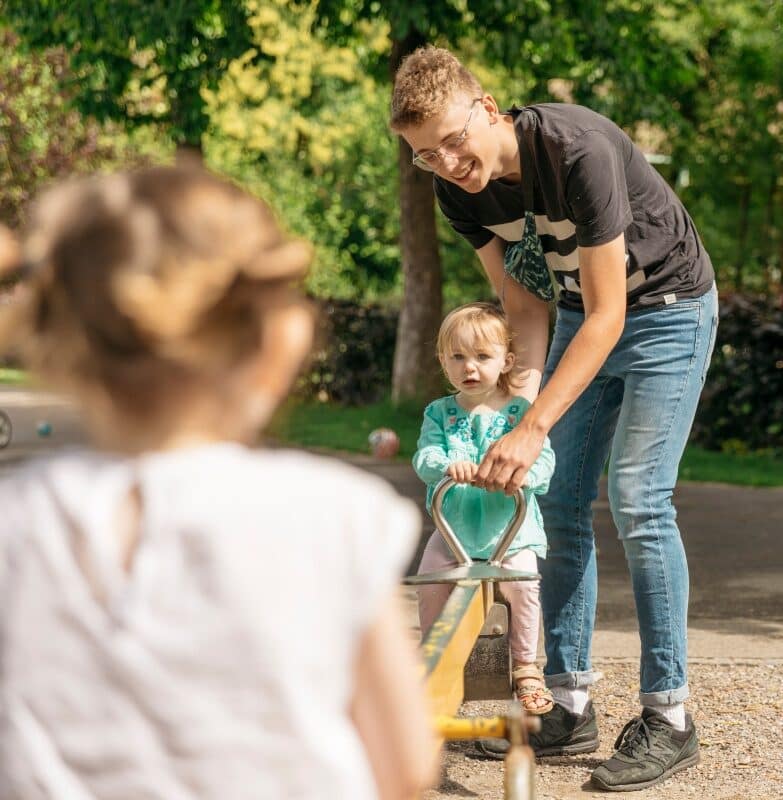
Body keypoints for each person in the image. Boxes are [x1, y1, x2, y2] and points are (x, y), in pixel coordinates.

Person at [0, 165, 438, 800]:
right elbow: (405, 763)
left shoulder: (16, 521)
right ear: (280, 342)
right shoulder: (331, 515)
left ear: (63, 345)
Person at [391, 46, 718, 792]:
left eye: (452, 141)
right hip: (577, 315)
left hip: (666, 311)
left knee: (638, 499)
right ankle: (566, 704)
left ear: (487, 109)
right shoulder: (459, 190)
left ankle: (669, 717)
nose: (446, 164)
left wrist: (532, 425)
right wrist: (513, 411)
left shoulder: (575, 150)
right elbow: (524, 303)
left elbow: (609, 314)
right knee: (556, 499)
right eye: (425, 155)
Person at [413, 302, 555, 715]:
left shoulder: (520, 414)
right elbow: (425, 458)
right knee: (430, 581)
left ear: (506, 361)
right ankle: (433, 660)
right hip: (454, 530)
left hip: (509, 532)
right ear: (443, 361)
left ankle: (526, 667)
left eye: (482, 356)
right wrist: (447, 466)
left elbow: (544, 459)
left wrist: (524, 475)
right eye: (457, 357)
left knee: (523, 585)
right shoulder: (439, 413)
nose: (469, 367)